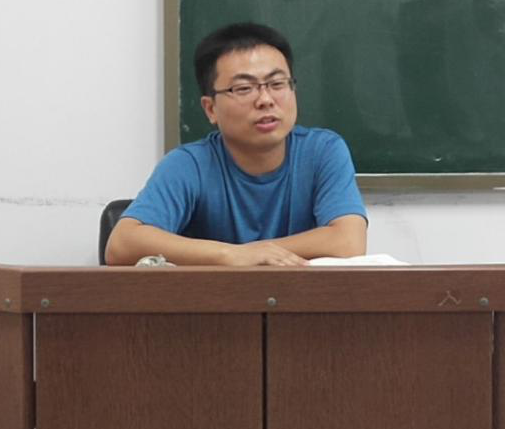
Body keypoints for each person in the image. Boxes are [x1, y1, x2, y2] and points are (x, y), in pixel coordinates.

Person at [105, 22, 368, 266]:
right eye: (243, 88)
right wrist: (232, 254)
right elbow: (121, 245)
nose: (265, 100)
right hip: (214, 300)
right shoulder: (189, 164)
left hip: (298, 298)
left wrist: (259, 252)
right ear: (211, 109)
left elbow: (348, 242)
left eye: (277, 84)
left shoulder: (322, 151)